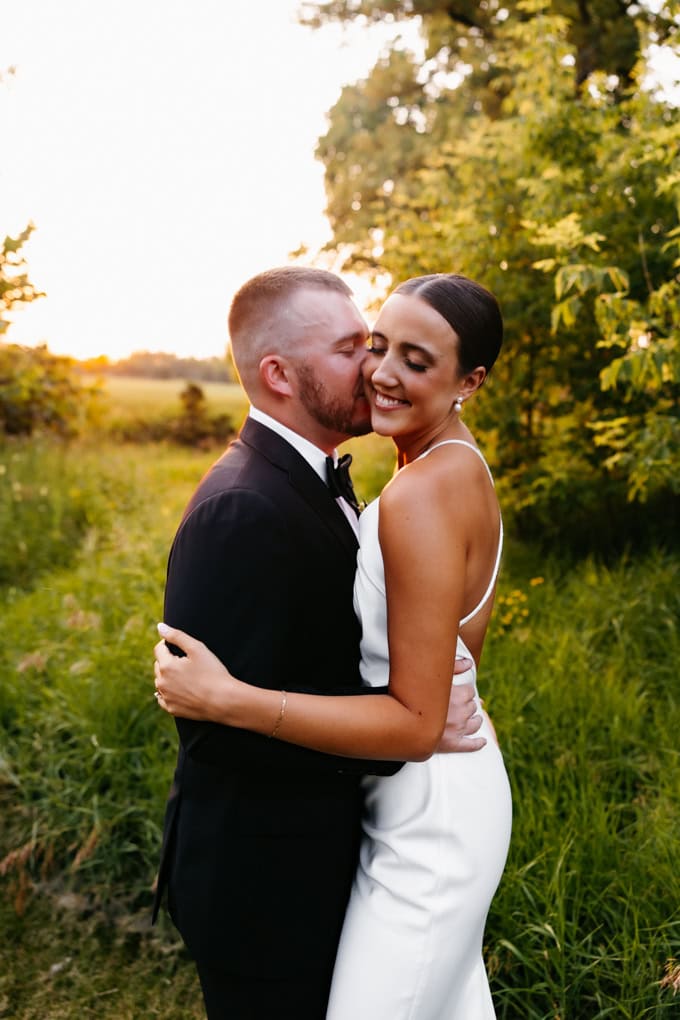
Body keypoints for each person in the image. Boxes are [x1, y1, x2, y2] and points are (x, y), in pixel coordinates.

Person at [155, 272, 513, 1019]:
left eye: (411, 358)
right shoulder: (245, 507)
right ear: (278, 374)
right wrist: (396, 722)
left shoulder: (422, 485)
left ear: (468, 381)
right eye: (365, 347)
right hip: (273, 871)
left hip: (425, 803)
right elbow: (217, 742)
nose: (378, 371)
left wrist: (240, 699)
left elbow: (418, 708)